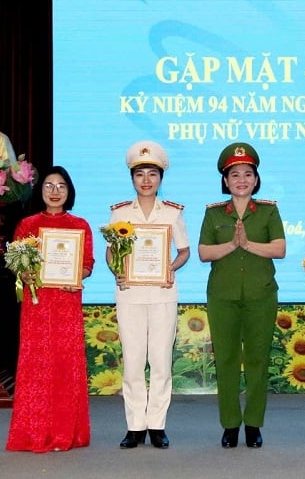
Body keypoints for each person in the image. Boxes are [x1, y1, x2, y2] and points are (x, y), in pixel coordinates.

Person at [198, 142, 286, 449]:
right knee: (226, 360)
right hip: (222, 296)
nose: (241, 180)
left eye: (248, 174)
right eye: (235, 174)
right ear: (225, 180)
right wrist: (232, 246)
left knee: (258, 360)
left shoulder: (267, 211)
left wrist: (248, 244)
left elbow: (280, 248)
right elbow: (204, 252)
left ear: (256, 179)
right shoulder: (213, 214)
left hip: (261, 296)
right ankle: (230, 425)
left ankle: (253, 424)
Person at [107, 141, 190, 450]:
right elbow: (111, 251)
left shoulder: (171, 213)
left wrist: (170, 268)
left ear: (160, 178)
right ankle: (134, 426)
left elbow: (183, 251)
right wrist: (116, 268)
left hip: (162, 294)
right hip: (129, 294)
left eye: (152, 174)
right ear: (132, 178)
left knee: (160, 362)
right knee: (132, 363)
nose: (146, 180)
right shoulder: (119, 214)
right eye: (139, 174)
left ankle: (157, 424)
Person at [6, 165, 95, 453]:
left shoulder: (80, 225)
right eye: (48, 185)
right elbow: (17, 265)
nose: (55, 191)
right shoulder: (27, 225)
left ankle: (65, 433)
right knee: (36, 366)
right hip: (37, 305)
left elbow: (87, 263)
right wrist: (23, 274)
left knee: (65, 366)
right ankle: (33, 434)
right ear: (40, 190)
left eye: (61, 186)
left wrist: (77, 276)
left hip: (67, 304)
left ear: (69, 192)